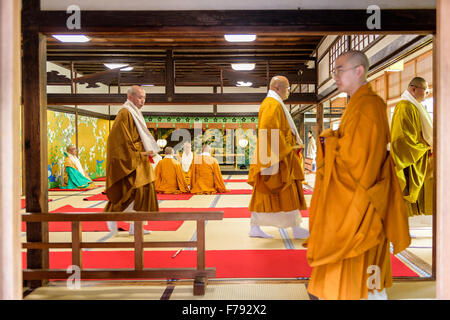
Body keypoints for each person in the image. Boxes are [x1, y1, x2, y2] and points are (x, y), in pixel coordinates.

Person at [305, 50, 411, 300]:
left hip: (361, 199)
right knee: (352, 260)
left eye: (339, 70)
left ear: (359, 71)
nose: (335, 77)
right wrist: (332, 140)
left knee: (359, 256)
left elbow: (356, 162)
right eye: (334, 71)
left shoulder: (369, 106)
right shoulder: (358, 103)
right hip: (357, 195)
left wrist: (328, 141)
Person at [247, 75, 309, 239]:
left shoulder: (274, 103)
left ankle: (295, 226)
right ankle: (256, 227)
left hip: (278, 155)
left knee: (287, 193)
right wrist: (286, 147)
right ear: (277, 88)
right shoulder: (272, 105)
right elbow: (268, 130)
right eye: (287, 88)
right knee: (270, 191)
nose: (289, 91)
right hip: (276, 156)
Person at [103, 85, 160, 236]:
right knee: (128, 192)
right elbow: (118, 141)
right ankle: (112, 217)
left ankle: (137, 227)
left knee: (145, 192)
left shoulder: (135, 113)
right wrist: (139, 153)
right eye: (140, 97)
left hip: (141, 159)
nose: (143, 101)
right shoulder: (124, 113)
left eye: (144, 98)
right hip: (133, 159)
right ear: (130, 97)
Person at [390, 77, 433, 217]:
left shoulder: (415, 106)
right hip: (412, 158)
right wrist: (424, 148)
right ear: (414, 89)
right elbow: (403, 139)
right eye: (425, 91)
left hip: (420, 155)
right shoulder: (405, 107)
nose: (427, 94)